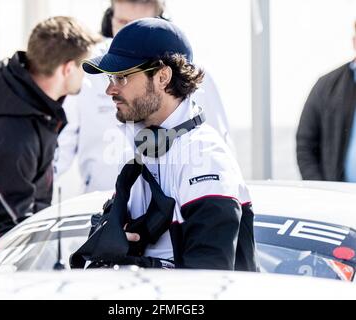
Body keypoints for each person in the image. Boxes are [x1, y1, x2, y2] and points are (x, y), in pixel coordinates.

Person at [72, 18, 257, 271]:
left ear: (162, 77)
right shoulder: (140, 149)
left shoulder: (204, 155)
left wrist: (135, 263)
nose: (110, 90)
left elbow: (208, 280)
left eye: (121, 78)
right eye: (109, 78)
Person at [0, 16, 98, 271]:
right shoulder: (13, 135)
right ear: (67, 69)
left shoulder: (15, 94)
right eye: (83, 67)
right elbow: (11, 231)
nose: (86, 78)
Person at [54, 0, 233, 194]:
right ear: (108, 20)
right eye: (122, 22)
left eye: (142, 24)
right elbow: (58, 152)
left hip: (176, 207)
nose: (131, 32)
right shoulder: (87, 71)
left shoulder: (197, 75)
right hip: (101, 205)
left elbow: (219, 154)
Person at [296, 22, 356, 182]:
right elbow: (305, 145)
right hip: (336, 200)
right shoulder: (326, 87)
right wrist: (322, 192)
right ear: (354, 41)